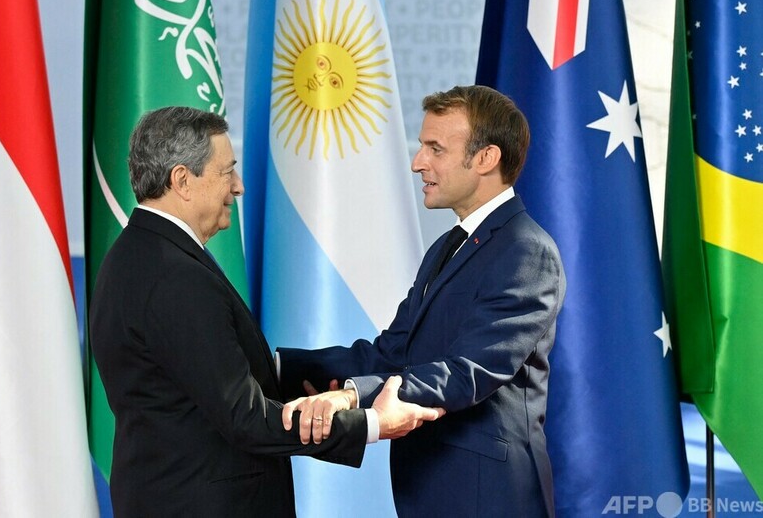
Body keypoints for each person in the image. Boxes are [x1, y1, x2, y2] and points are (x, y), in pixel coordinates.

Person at [88, 106, 443, 517]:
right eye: (227, 172)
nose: (237, 187)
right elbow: (246, 419)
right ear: (182, 180)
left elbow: (192, 379)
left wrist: (300, 377)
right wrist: (373, 422)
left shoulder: (137, 254)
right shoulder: (174, 275)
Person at [278, 85, 566, 518]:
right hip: (432, 488)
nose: (417, 163)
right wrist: (279, 367)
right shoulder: (449, 246)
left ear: (486, 158)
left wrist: (353, 396)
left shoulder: (527, 250)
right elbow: (394, 351)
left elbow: (469, 371)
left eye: (435, 149)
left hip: (487, 497)